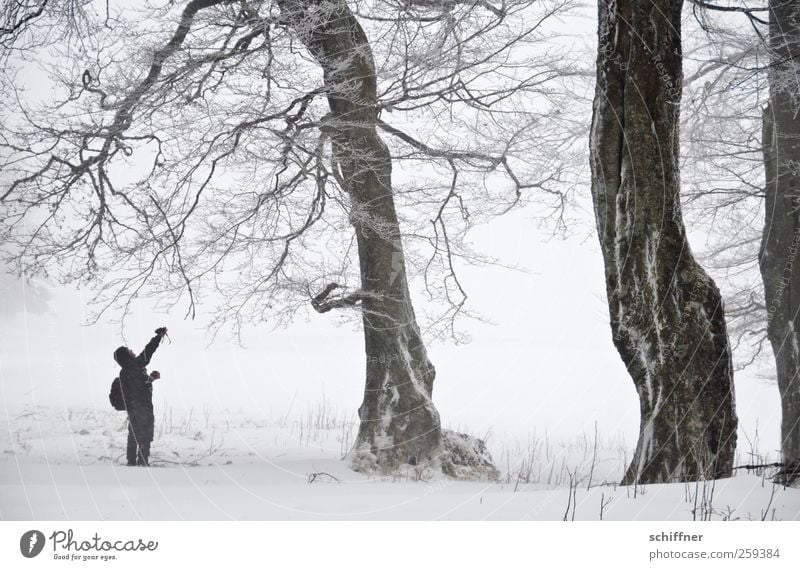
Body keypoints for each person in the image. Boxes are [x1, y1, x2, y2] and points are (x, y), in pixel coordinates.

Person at [113, 327, 167, 466]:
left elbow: (138, 387)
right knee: (145, 433)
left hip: (132, 408)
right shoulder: (136, 365)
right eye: (129, 351)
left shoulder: (125, 372)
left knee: (133, 433)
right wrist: (158, 337)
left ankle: (131, 461)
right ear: (126, 356)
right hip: (142, 407)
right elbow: (148, 351)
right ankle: (143, 462)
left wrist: (150, 379)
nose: (132, 351)